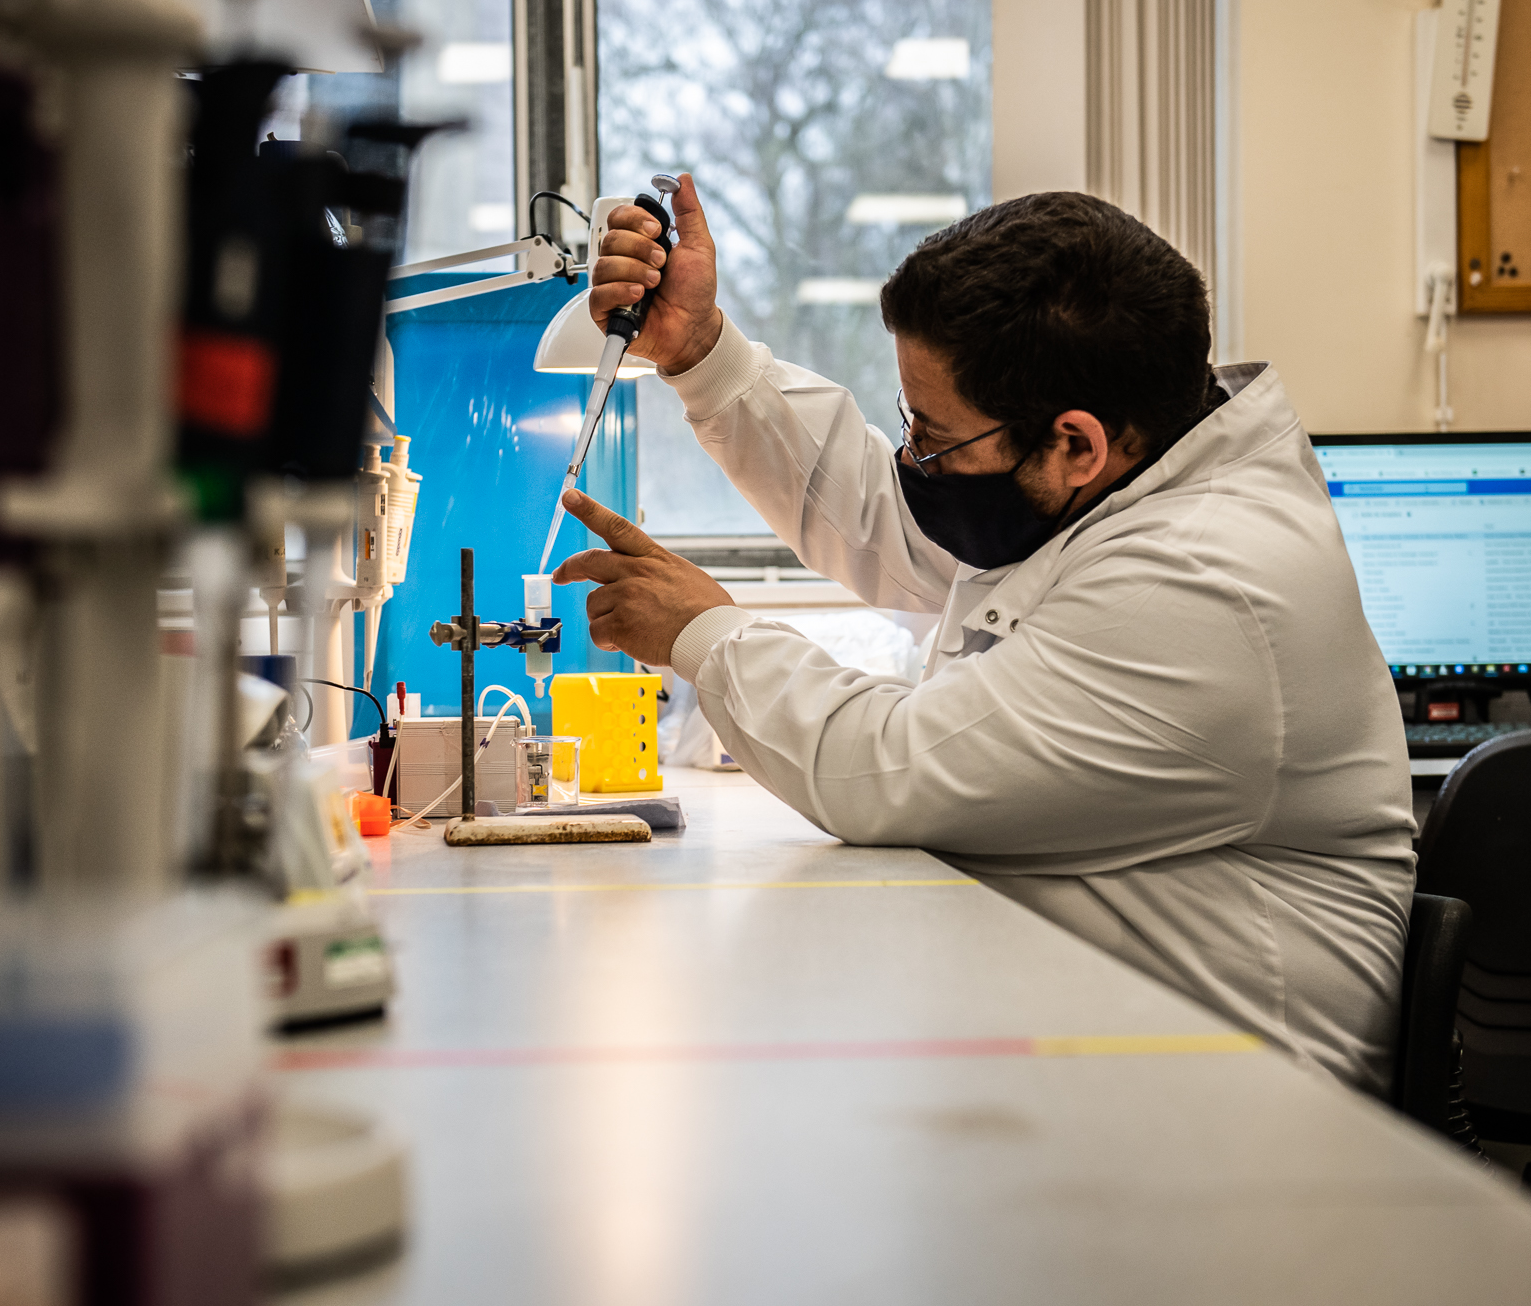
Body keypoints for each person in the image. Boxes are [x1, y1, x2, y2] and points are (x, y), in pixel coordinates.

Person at [551, 176, 1416, 1093]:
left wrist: (704, 631)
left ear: (1075, 445)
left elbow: (892, 770)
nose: (915, 458)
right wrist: (699, 355)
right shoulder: (1107, 487)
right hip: (1107, 1057)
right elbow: (891, 520)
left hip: (1236, 1121)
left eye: (933, 433)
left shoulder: (1204, 579)